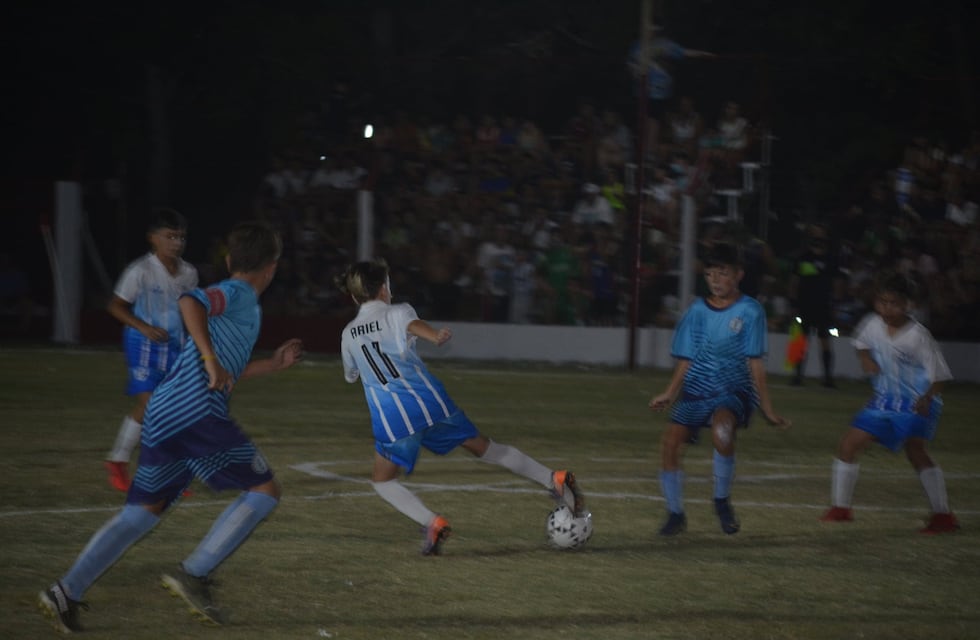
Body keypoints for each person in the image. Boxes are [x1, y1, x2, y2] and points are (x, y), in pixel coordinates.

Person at [38, 221, 304, 633]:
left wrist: (270, 365)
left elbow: (223, 367)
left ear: (232, 259)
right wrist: (210, 358)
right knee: (265, 490)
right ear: (272, 266)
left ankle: (65, 591)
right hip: (193, 411)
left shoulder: (242, 303)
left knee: (142, 513)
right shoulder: (238, 293)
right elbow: (190, 302)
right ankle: (194, 573)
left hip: (166, 413)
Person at [336, 258, 584, 555]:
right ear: (384, 288)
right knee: (485, 448)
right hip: (431, 403)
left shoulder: (348, 334)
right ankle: (552, 478)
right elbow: (413, 325)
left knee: (382, 481)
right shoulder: (398, 311)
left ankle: (433, 522)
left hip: (395, 420)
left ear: (353, 296)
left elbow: (351, 376)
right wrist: (433, 335)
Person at [649, 242, 790, 536]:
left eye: (722, 273)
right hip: (697, 391)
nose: (715, 279)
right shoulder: (697, 311)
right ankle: (675, 514)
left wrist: (767, 409)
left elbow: (755, 364)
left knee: (723, 429)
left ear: (738, 274)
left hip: (733, 390)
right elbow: (686, 359)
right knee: (670, 444)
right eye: (710, 274)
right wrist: (669, 393)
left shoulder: (750, 311)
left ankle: (721, 501)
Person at [820, 271, 958, 534]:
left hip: (917, 402)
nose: (886, 308)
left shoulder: (919, 336)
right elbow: (861, 343)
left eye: (893, 303)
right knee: (848, 445)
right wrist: (865, 358)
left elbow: (940, 377)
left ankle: (943, 515)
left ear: (909, 305)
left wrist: (927, 397)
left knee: (916, 451)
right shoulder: (872, 323)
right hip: (883, 401)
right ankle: (841, 508)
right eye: (882, 302)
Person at [104, 208, 199, 492]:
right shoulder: (140, 271)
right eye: (170, 236)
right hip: (142, 344)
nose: (176, 243)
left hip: (175, 346)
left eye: (181, 237)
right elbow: (115, 306)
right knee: (152, 406)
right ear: (153, 238)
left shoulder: (189, 273)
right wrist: (143, 327)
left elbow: (190, 310)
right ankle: (120, 461)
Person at [789, 224, 840, 388]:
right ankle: (797, 376)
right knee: (801, 341)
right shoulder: (803, 258)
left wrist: (835, 303)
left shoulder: (832, 260)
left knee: (824, 340)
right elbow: (794, 282)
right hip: (805, 305)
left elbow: (836, 282)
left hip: (823, 305)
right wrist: (794, 303)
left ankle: (827, 378)